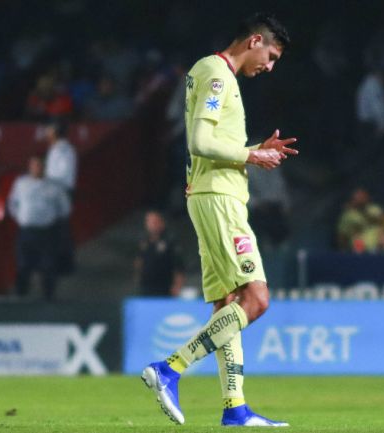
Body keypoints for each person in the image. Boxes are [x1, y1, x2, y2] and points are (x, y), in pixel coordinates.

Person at [141, 13, 295, 427]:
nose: (270, 66)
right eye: (272, 55)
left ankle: (235, 408)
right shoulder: (217, 74)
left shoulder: (212, 73)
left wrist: (252, 147)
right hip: (219, 200)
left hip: (210, 194)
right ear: (255, 41)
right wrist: (251, 155)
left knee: (228, 305)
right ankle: (170, 369)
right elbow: (200, 140)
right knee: (256, 299)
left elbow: (213, 141)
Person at [7, 155, 71, 300]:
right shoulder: (21, 183)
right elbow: (12, 203)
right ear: (30, 167)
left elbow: (65, 208)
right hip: (26, 231)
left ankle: (48, 298)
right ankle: (20, 296)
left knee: (48, 266)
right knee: (23, 265)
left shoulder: (54, 186)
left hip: (46, 232)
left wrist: (52, 218)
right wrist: (20, 217)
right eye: (34, 165)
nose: (36, 168)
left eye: (39, 165)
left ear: (44, 167)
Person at [44, 121, 77, 273]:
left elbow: (63, 174)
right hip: (54, 191)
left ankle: (65, 265)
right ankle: (59, 263)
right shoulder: (55, 148)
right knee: (57, 229)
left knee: (61, 229)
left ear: (55, 131)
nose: (46, 132)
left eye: (49, 130)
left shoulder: (64, 149)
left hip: (61, 192)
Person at [135, 211, 184, 297]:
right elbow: (139, 261)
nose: (151, 225)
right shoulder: (143, 242)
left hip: (165, 287)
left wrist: (177, 286)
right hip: (146, 287)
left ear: (162, 223)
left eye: (154, 222)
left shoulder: (170, 242)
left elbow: (179, 266)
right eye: (149, 222)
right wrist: (138, 277)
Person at [337, 187, 384, 252]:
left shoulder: (375, 209)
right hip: (355, 250)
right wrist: (343, 250)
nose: (360, 199)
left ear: (367, 197)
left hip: (375, 249)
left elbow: (381, 222)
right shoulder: (348, 214)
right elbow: (342, 234)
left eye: (362, 197)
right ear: (353, 198)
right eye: (358, 197)